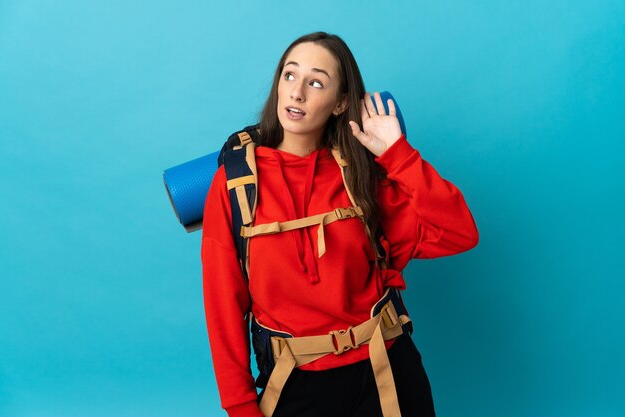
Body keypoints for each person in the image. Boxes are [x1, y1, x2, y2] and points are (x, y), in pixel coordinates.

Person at [201, 31, 479, 417]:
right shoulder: (234, 185)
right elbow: (223, 306)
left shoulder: (361, 173)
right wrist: (240, 406)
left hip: (387, 373)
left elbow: (460, 233)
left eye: (316, 82)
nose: (297, 93)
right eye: (289, 75)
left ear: (340, 103)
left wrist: (398, 155)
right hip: (295, 383)